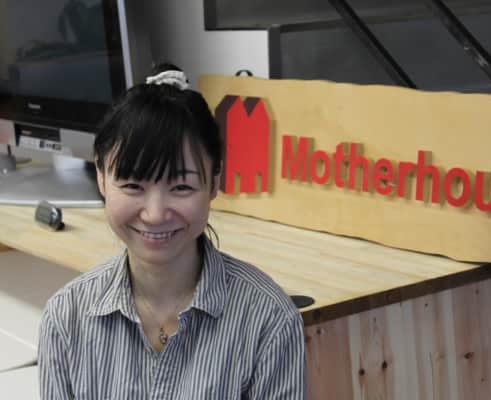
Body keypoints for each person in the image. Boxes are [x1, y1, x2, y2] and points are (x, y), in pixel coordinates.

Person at [38, 64, 306, 399]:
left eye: (181, 187)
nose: (155, 215)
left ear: (215, 182)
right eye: (133, 185)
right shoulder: (66, 318)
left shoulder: (268, 318)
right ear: (102, 178)